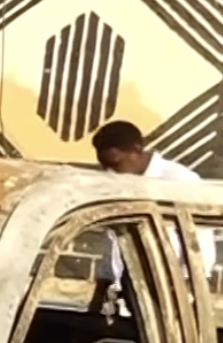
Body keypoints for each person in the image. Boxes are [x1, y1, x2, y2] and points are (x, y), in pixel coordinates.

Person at [91, 119, 217, 304]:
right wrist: (102, 287)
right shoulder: (120, 183)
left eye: (116, 163)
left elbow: (200, 238)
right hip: (127, 288)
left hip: (172, 291)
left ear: (136, 150)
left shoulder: (179, 181)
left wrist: (188, 289)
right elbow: (114, 240)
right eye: (105, 166)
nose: (111, 172)